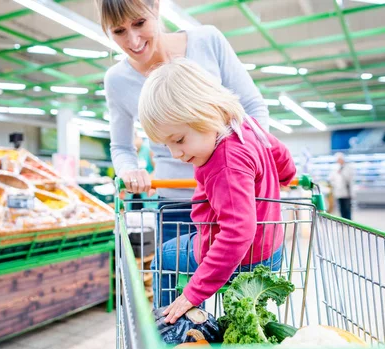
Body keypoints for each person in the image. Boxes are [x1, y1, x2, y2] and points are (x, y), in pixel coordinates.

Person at [98, 0, 270, 242]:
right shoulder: (116, 80)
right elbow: (122, 147)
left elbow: (253, 108)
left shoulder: (207, 41)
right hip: (175, 204)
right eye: (119, 31)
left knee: (237, 277)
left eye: (139, 23)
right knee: (173, 276)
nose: (133, 41)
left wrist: (247, 161)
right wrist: (129, 171)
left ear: (155, 7)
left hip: (232, 192)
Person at [138, 58, 296, 323]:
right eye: (167, 146)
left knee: (162, 259)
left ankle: (167, 328)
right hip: (271, 252)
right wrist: (287, 177)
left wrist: (192, 292)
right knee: (246, 323)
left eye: (179, 140)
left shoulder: (225, 162)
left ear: (208, 113)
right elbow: (280, 153)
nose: (176, 154)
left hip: (241, 259)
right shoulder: (246, 125)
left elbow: (237, 232)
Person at [329, 152, 355, 220]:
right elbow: (331, 178)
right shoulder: (335, 167)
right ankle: (343, 220)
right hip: (338, 191)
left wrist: (342, 172)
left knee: (347, 207)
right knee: (341, 207)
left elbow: (350, 178)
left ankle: (349, 220)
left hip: (347, 191)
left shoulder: (348, 167)